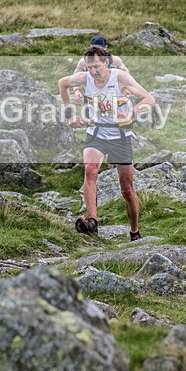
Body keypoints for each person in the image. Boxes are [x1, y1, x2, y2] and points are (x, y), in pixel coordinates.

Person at [58, 46, 155, 240]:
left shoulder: (120, 78)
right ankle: (92, 221)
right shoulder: (85, 79)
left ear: (106, 63)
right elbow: (62, 83)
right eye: (89, 67)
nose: (93, 72)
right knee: (90, 170)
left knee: (127, 190)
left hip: (120, 136)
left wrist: (131, 112)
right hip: (96, 132)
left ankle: (134, 231)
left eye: (96, 67)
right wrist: (69, 113)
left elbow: (149, 99)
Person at [71, 36, 128, 103]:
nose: (97, 52)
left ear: (106, 48)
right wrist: (76, 91)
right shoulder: (83, 62)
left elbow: (126, 73)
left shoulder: (114, 60)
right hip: (91, 97)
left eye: (100, 49)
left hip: (113, 96)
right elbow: (74, 77)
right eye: (95, 49)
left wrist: (126, 89)